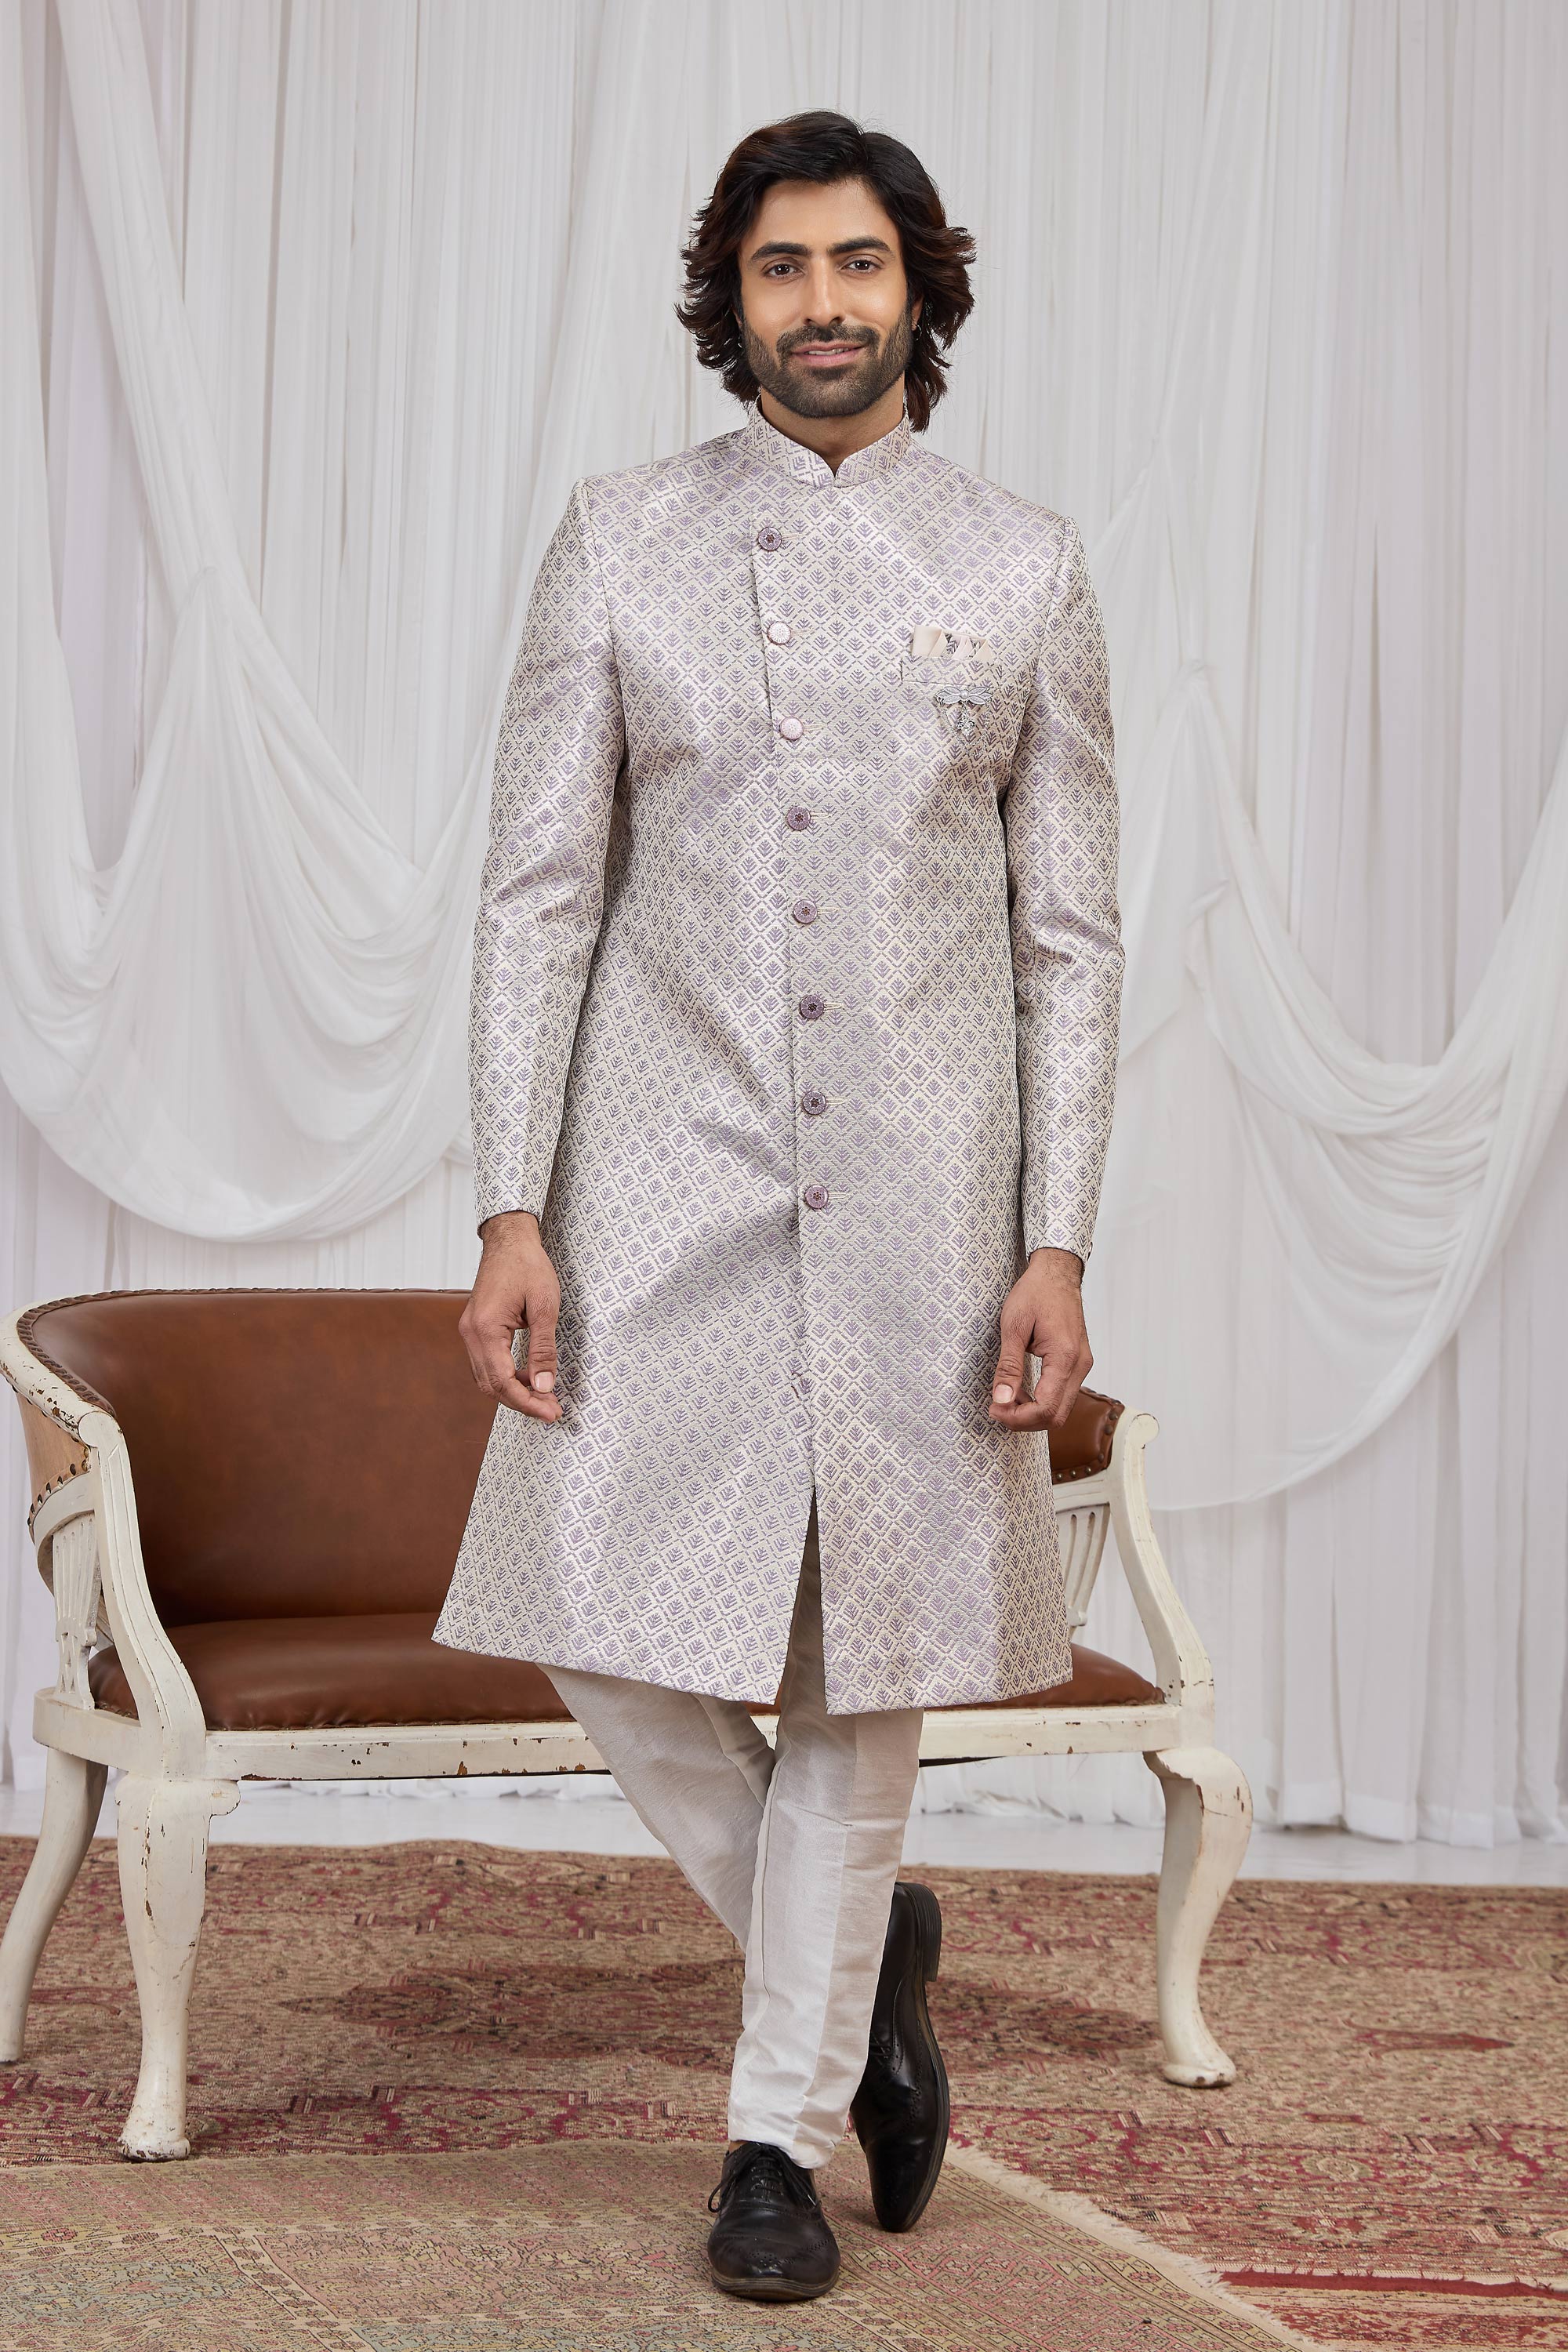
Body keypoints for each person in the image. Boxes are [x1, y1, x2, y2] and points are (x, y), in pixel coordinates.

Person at [434, 108, 1124, 2303]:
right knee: (593, 1611)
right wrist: (510, 1205)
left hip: (930, 1200)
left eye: (856, 263)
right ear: (727, 301)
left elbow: (1069, 941)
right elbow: (539, 892)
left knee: (857, 1683)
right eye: (779, 269)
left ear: (921, 283)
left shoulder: (1025, 566)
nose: (822, 306)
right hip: (659, 1169)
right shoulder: (621, 542)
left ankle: (770, 2143)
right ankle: (862, 1949)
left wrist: (1057, 1235)